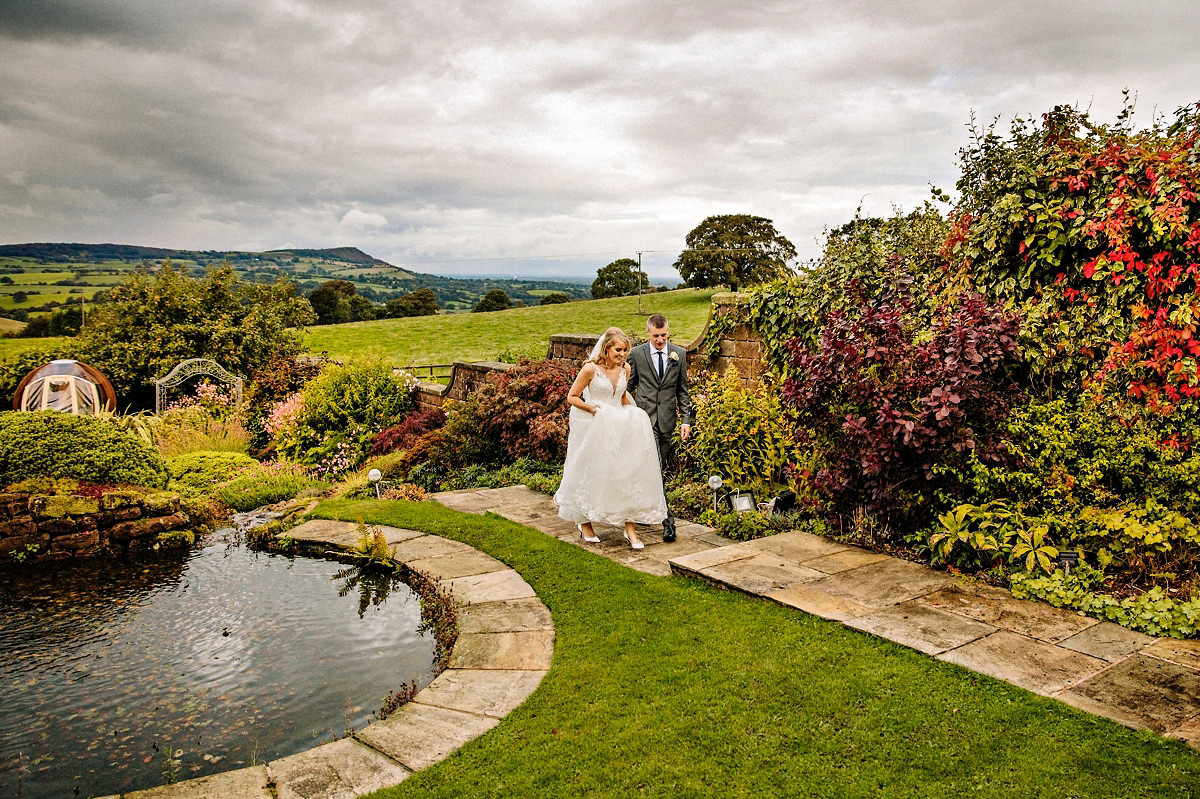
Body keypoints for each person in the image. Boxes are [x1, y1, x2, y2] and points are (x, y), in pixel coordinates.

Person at [554, 327, 667, 550]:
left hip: (618, 426)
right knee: (590, 472)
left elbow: (621, 396)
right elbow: (572, 397)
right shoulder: (590, 369)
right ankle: (584, 522)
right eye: (618, 349)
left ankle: (630, 526)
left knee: (624, 474)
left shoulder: (626, 369)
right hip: (594, 424)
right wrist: (591, 408)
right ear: (606, 349)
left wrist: (635, 414)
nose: (622, 354)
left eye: (625, 350)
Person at [628, 313, 692, 542]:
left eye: (663, 335)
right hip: (644, 421)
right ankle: (668, 523)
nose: (660, 340)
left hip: (667, 422)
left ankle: (643, 511)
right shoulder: (637, 354)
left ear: (668, 331)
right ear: (648, 333)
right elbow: (628, 386)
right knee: (655, 469)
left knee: (657, 471)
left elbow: (682, 391)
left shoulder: (679, 354)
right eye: (656, 336)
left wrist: (686, 420)